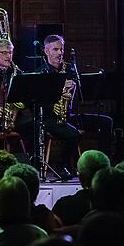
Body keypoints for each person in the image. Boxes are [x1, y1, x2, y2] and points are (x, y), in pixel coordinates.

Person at [37, 34, 81, 179]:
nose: (60, 53)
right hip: (50, 117)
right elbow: (38, 101)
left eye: (61, 49)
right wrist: (53, 105)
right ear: (46, 51)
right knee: (73, 134)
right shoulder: (42, 72)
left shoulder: (69, 69)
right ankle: (62, 166)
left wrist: (74, 86)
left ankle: (102, 166)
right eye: (55, 49)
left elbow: (80, 96)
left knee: (106, 122)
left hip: (69, 114)